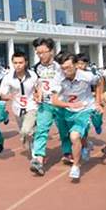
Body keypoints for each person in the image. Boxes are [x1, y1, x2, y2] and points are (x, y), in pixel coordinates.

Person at [51, 53, 102, 179]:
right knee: (74, 137)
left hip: (84, 110)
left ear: (76, 65)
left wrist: (98, 102)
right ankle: (85, 145)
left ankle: (76, 166)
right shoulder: (58, 78)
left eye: (68, 67)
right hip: (67, 110)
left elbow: (100, 81)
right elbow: (54, 101)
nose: (65, 71)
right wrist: (69, 105)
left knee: (74, 136)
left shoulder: (87, 76)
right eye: (63, 68)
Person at [29, 38, 71, 176]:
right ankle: (38, 159)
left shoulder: (61, 66)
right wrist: (37, 92)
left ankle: (67, 152)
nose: (41, 55)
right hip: (45, 104)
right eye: (38, 53)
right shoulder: (36, 68)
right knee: (41, 130)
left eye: (43, 52)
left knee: (64, 130)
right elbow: (36, 84)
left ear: (51, 51)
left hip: (60, 104)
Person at [0, 52, 39, 156]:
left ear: (26, 62)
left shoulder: (33, 75)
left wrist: (38, 95)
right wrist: (7, 96)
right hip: (17, 108)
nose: (18, 65)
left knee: (27, 130)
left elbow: (38, 88)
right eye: (15, 62)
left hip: (31, 106)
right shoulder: (8, 78)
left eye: (20, 62)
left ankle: (35, 154)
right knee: (24, 131)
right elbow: (2, 94)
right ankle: (29, 143)